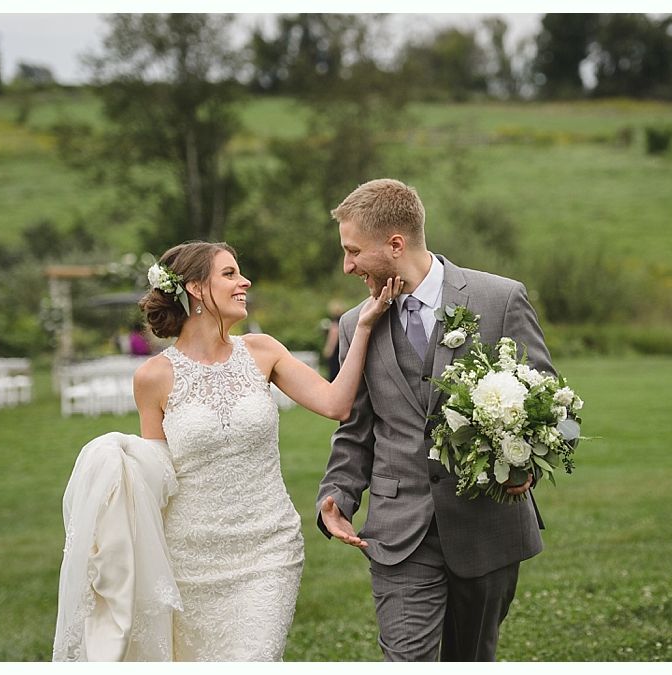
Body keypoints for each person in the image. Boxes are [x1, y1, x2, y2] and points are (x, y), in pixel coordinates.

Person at [316, 179, 556, 661]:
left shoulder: (499, 299)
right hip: (398, 530)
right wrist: (337, 493)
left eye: (353, 251)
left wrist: (526, 463)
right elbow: (356, 428)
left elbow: (546, 401)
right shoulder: (353, 325)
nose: (347, 266)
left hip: (486, 525)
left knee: (471, 658)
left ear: (396, 244)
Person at [131, 241, 400, 661]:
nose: (245, 282)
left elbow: (336, 405)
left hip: (267, 550)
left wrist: (363, 327)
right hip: (189, 559)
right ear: (197, 289)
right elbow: (155, 476)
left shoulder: (263, 351)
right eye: (230, 274)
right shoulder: (153, 378)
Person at [321, 299, 345, 381]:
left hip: (335, 353)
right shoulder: (344, 321)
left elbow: (333, 338)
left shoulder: (335, 323)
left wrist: (328, 351)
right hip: (342, 350)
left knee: (333, 373)